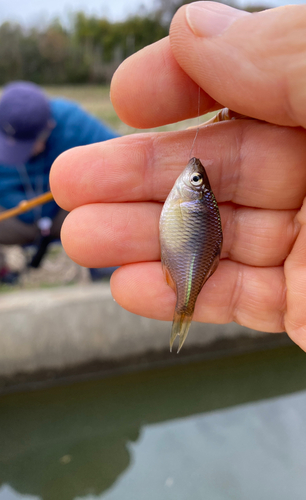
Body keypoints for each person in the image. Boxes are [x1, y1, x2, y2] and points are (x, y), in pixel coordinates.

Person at [50, 2, 306, 353]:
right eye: (198, 181)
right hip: (193, 258)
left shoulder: (189, 200)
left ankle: (184, 305)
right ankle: (184, 306)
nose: (194, 176)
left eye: (197, 180)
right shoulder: (191, 201)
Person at [0, 81, 118, 283]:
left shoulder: (71, 120)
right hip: (11, 217)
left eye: (26, 145)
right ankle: (2, 274)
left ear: (49, 126)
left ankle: (104, 264)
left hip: (64, 214)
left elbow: (119, 159)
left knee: (106, 202)